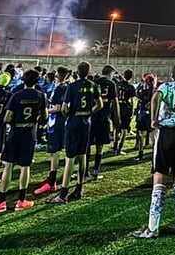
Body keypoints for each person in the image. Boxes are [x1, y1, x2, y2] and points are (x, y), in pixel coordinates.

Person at [131, 61, 175, 239]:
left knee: (159, 176)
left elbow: (155, 98)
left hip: (166, 133)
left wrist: (154, 119)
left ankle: (153, 227)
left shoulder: (166, 86)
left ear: (172, 74)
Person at [0, 69, 47, 212]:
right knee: (25, 167)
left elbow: (7, 118)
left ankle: (1, 201)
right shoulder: (41, 96)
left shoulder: (16, 96)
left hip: (15, 133)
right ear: (37, 81)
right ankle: (21, 200)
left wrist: (15, 123)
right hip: (29, 134)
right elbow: (44, 116)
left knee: (8, 166)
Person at [51, 62, 102, 203]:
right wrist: (89, 113)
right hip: (86, 123)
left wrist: (70, 115)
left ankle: (63, 193)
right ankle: (79, 189)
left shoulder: (72, 86)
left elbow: (64, 108)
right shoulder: (93, 85)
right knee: (83, 155)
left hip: (73, 123)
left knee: (70, 158)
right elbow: (100, 104)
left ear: (77, 72)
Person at [34, 66, 70, 196]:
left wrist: (44, 111)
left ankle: (52, 182)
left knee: (54, 152)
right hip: (60, 123)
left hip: (57, 123)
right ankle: (54, 180)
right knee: (58, 152)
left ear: (58, 76)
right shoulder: (65, 87)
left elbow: (58, 108)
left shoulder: (61, 88)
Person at [90, 65, 119, 180]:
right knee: (99, 146)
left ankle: (84, 170)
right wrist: (117, 117)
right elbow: (115, 102)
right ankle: (96, 170)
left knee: (88, 145)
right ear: (110, 73)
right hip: (103, 117)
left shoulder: (94, 82)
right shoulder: (111, 84)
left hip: (92, 117)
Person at [113, 69, 136, 155]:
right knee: (124, 129)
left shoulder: (117, 84)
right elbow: (132, 100)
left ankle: (115, 147)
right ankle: (119, 149)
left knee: (116, 127)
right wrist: (133, 110)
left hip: (117, 107)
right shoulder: (130, 87)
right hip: (126, 108)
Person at [134, 73, 155, 161]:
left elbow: (138, 97)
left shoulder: (142, 90)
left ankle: (140, 153)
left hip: (142, 113)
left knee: (141, 134)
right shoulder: (154, 91)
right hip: (150, 114)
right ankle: (154, 153)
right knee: (152, 134)